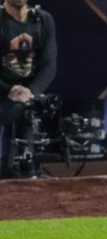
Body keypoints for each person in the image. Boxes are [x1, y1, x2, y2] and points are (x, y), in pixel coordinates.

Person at [0, 0, 57, 179]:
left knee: (28, 110)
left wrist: (31, 92)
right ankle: (14, 173)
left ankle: (28, 172)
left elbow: (49, 65)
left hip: (28, 95)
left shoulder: (43, 20)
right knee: (17, 112)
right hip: (2, 91)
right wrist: (9, 90)